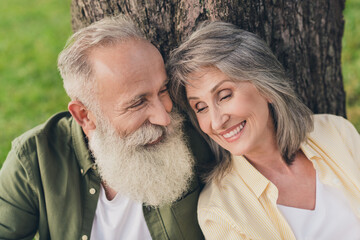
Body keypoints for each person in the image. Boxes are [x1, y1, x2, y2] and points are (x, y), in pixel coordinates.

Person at [0, 16, 214, 240]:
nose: (164, 117)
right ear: (85, 116)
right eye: (138, 102)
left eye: (163, 90)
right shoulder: (34, 158)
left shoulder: (203, 133)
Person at [168, 21, 360, 240]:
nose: (217, 121)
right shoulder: (219, 212)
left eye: (224, 95)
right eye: (200, 108)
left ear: (265, 87)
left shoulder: (335, 132)